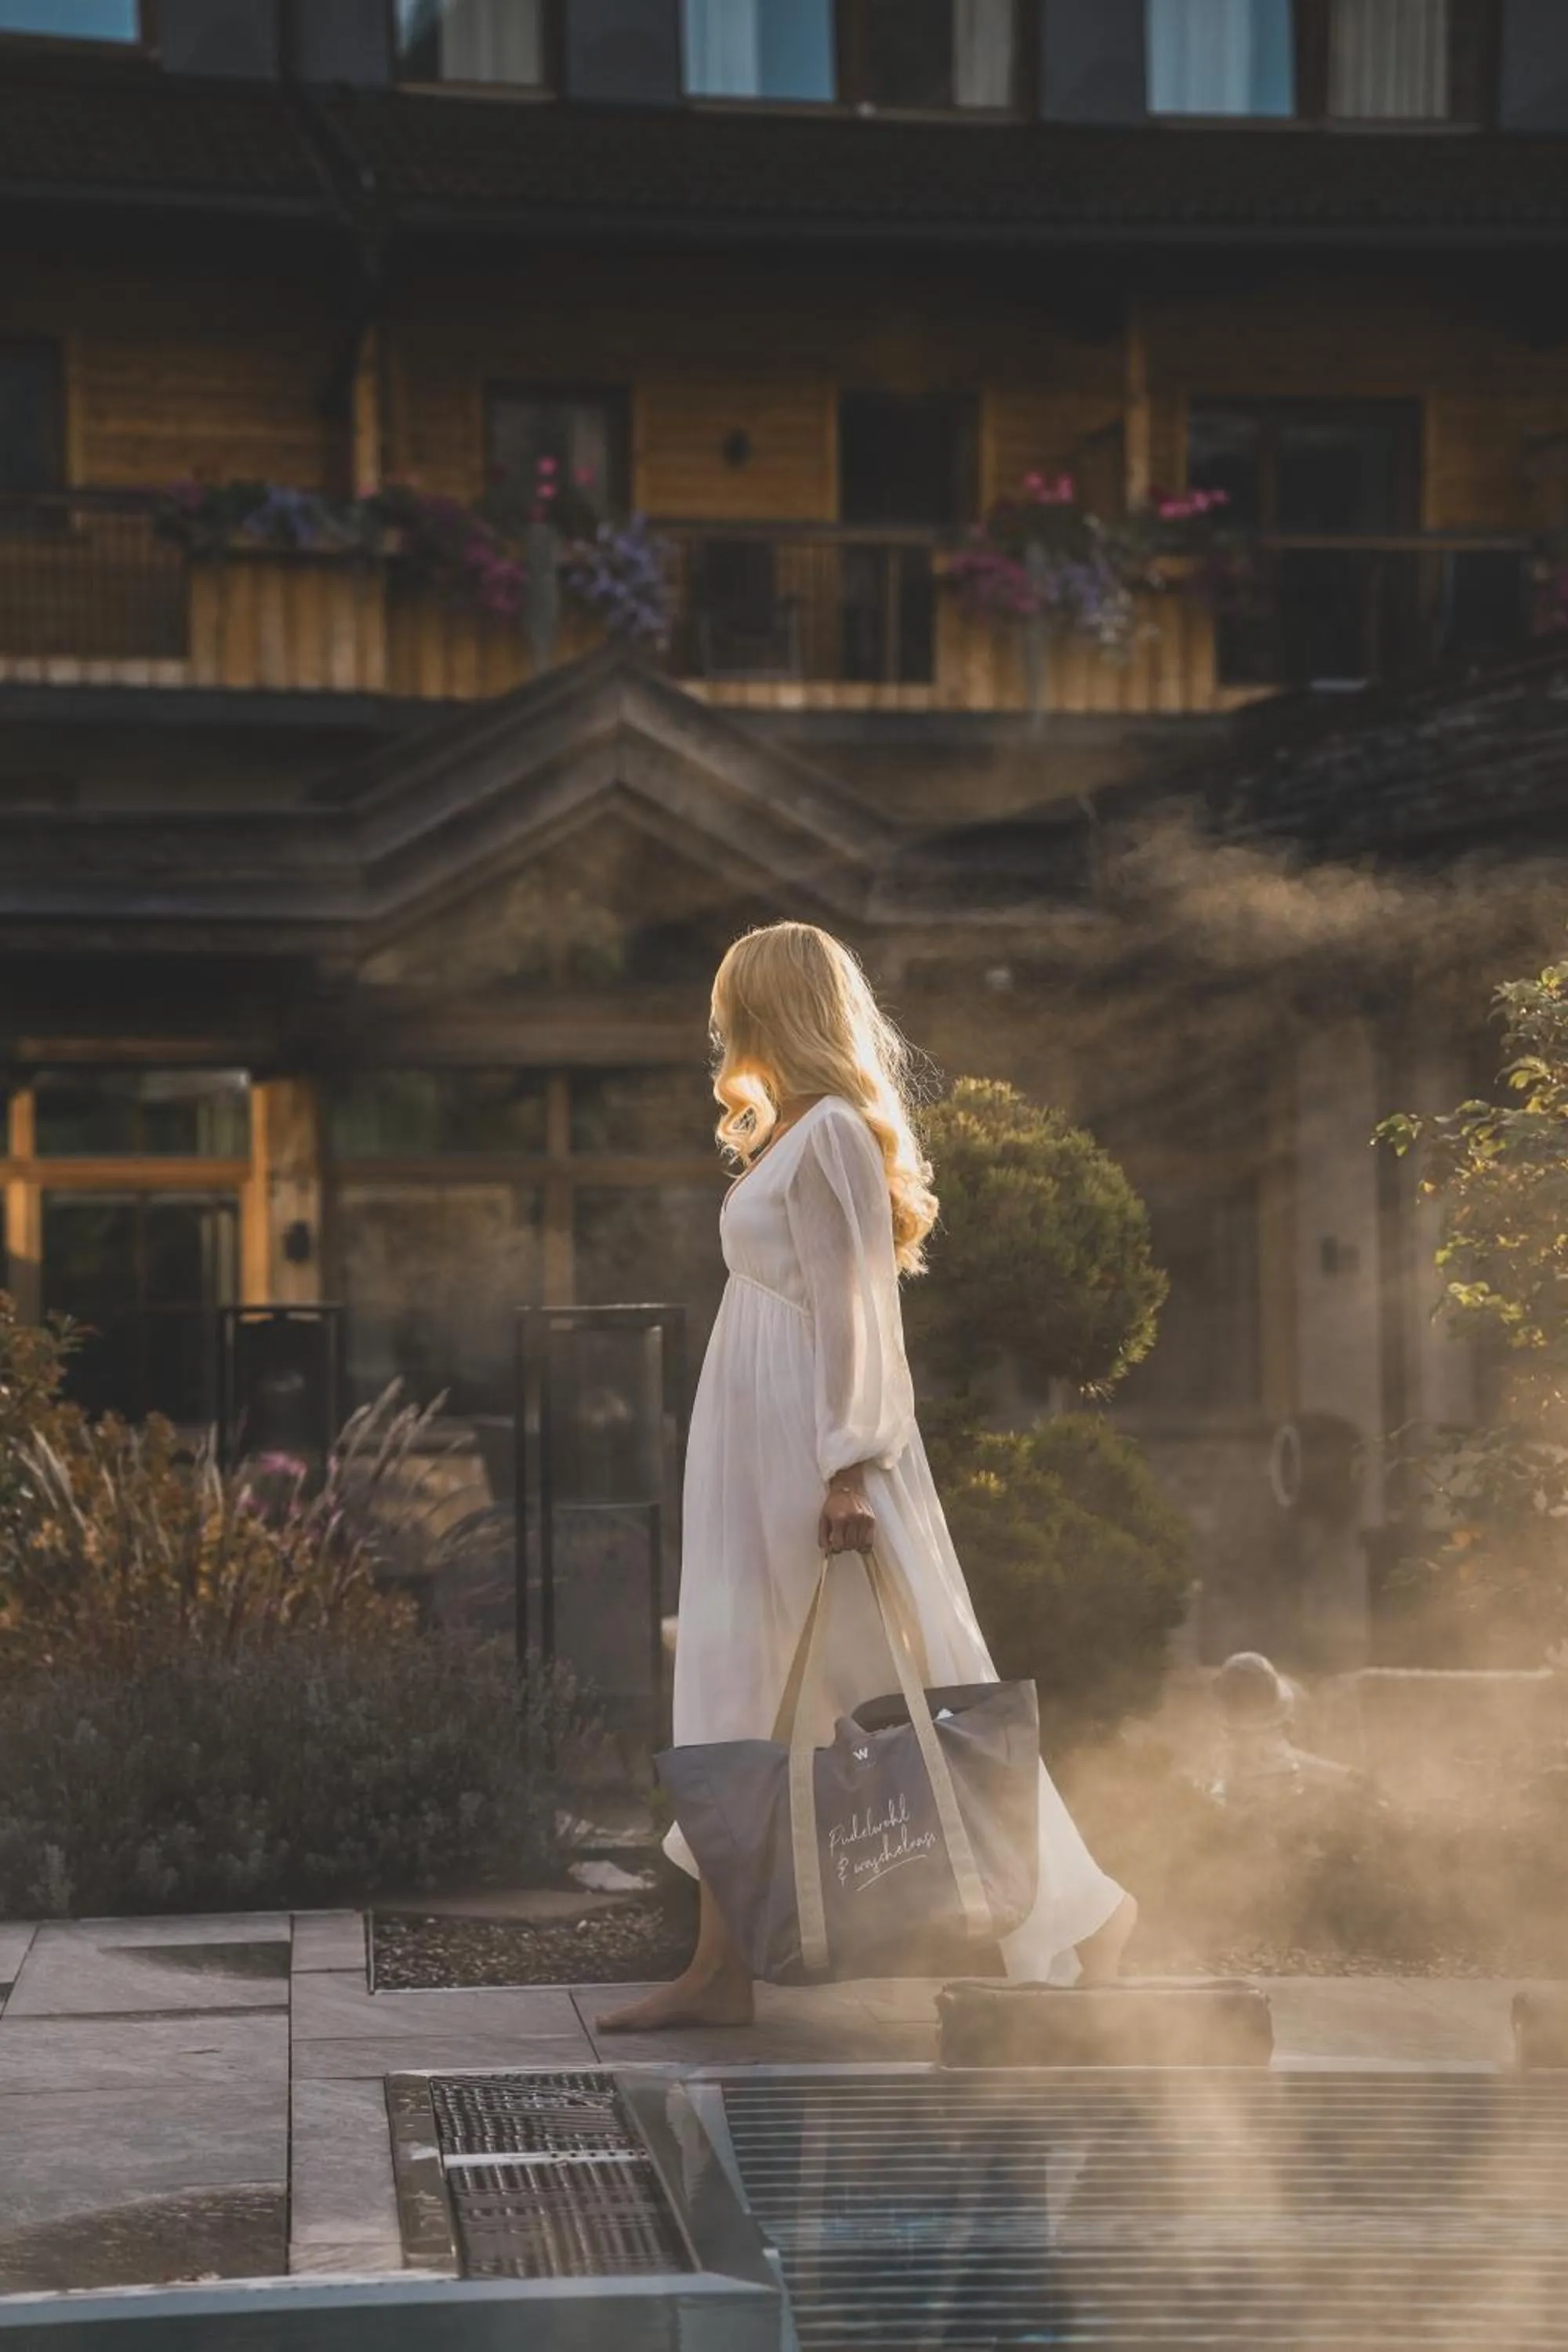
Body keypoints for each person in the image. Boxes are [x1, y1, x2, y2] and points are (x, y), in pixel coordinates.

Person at [598, 920, 1135, 2033]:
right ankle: (720, 1969)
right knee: (736, 1685)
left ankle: (1082, 1917)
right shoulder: (786, 1133)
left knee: (923, 1671)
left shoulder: (835, 1132)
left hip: (808, 1448)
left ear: (773, 1007)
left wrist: (846, 1467)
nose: (721, 1025)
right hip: (751, 1448)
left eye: (734, 1004)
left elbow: (859, 1311)